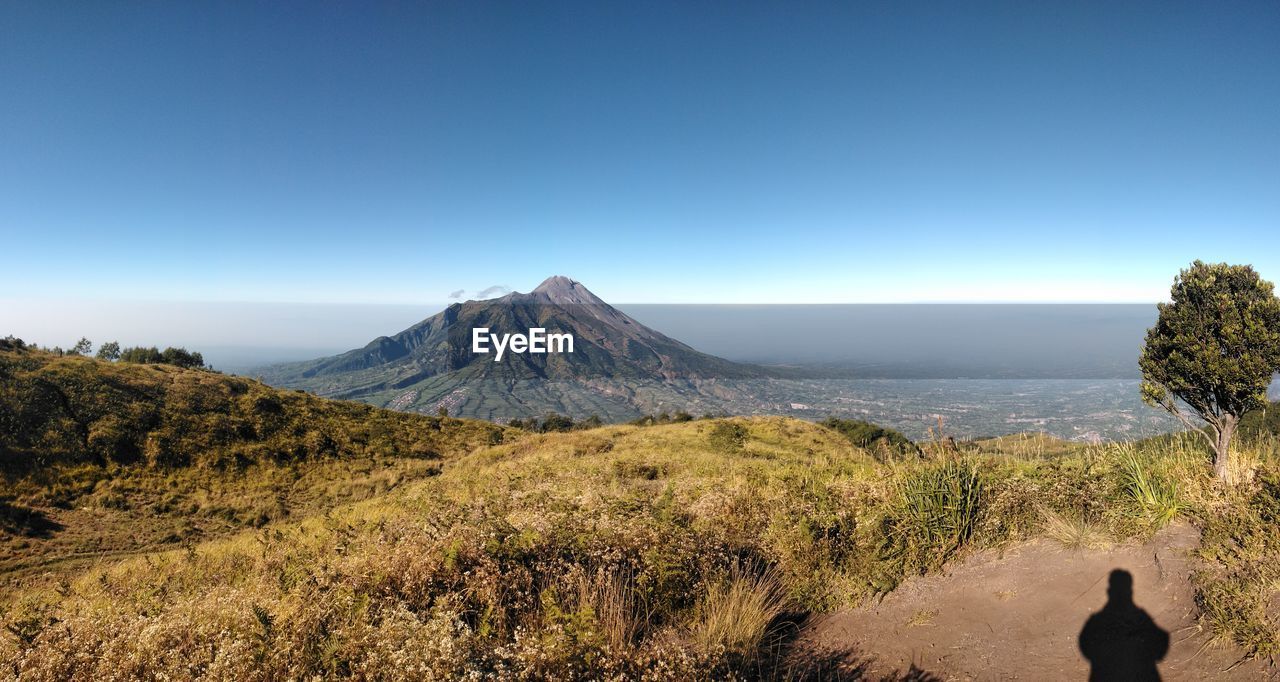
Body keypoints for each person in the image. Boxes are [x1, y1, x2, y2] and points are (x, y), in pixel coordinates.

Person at [1078, 569, 1169, 681]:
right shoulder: (1141, 615)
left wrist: (1098, 657)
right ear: (1131, 591)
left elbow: (1084, 642)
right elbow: (1163, 641)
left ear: (1109, 591)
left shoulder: (1096, 619)